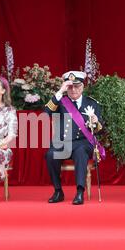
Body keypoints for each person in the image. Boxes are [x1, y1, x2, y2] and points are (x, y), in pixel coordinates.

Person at [44, 71, 103, 205]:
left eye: (77, 86)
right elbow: (46, 112)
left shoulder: (92, 103)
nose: (74, 89)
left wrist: (95, 122)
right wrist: (60, 91)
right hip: (63, 142)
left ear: (83, 86)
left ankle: (80, 191)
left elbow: (100, 130)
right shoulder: (60, 102)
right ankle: (58, 191)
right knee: (50, 154)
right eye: (70, 87)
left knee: (81, 152)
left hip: (83, 142)